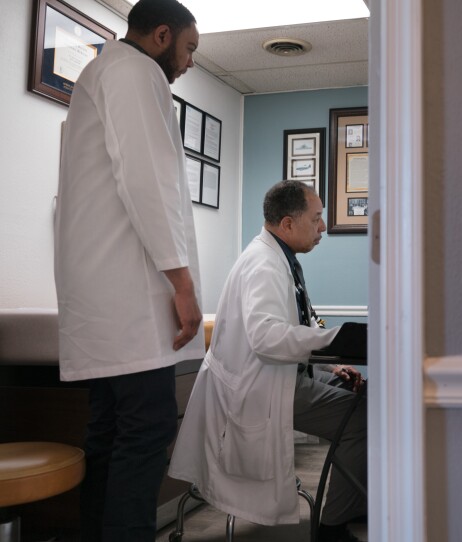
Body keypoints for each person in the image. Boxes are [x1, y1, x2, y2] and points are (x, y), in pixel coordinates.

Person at [53, 1, 202, 539]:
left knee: (110, 432)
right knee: (145, 432)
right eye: (188, 48)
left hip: (104, 298)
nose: (189, 62)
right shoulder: (136, 72)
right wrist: (182, 283)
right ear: (162, 35)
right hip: (131, 297)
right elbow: (147, 182)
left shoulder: (100, 72)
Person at [169, 180, 368, 542]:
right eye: (317, 218)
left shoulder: (280, 257)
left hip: (279, 375)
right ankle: (334, 527)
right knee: (363, 418)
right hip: (261, 390)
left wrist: (331, 365)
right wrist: (336, 338)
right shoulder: (264, 264)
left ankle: (354, 498)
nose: (323, 227)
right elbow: (266, 337)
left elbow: (301, 322)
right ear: (288, 224)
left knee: (360, 395)